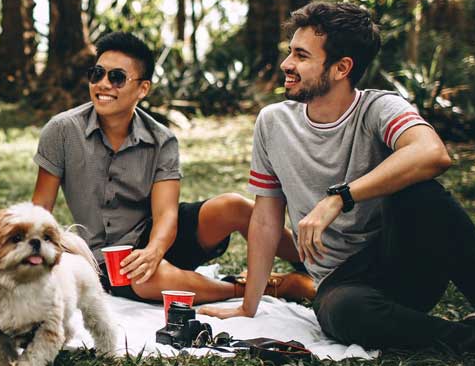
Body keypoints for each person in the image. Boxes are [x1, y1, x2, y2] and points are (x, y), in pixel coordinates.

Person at [200, 2, 475, 366]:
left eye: (301, 56)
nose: (286, 63)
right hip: (343, 285)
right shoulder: (273, 122)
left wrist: (340, 197)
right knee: (344, 315)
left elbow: (432, 153)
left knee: (422, 192)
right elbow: (267, 219)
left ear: (341, 68)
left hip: (404, 263)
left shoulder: (379, 107)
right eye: (291, 50)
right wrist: (248, 307)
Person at [31, 31, 316, 304]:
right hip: (106, 259)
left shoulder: (162, 139)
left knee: (234, 206)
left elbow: (166, 213)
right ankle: (268, 287)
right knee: (146, 279)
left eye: (117, 77)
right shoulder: (62, 131)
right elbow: (40, 209)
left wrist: (154, 251)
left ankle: (317, 267)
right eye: (97, 74)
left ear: (143, 88)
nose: (103, 84)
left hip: (158, 236)